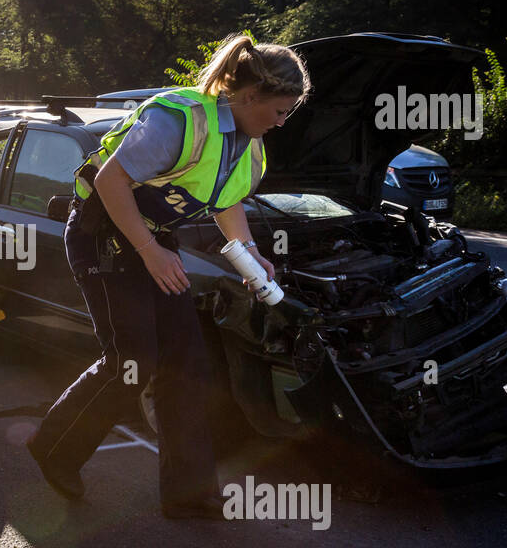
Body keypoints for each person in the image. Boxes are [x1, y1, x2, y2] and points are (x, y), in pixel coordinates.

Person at [25, 34, 311, 519]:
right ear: (249, 97)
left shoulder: (251, 147)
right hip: (103, 232)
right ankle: (54, 450)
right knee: (132, 359)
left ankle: (188, 492)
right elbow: (110, 180)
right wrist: (149, 251)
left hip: (153, 238)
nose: (282, 122)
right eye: (280, 111)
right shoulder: (178, 118)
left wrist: (250, 252)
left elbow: (227, 201)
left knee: (188, 364)